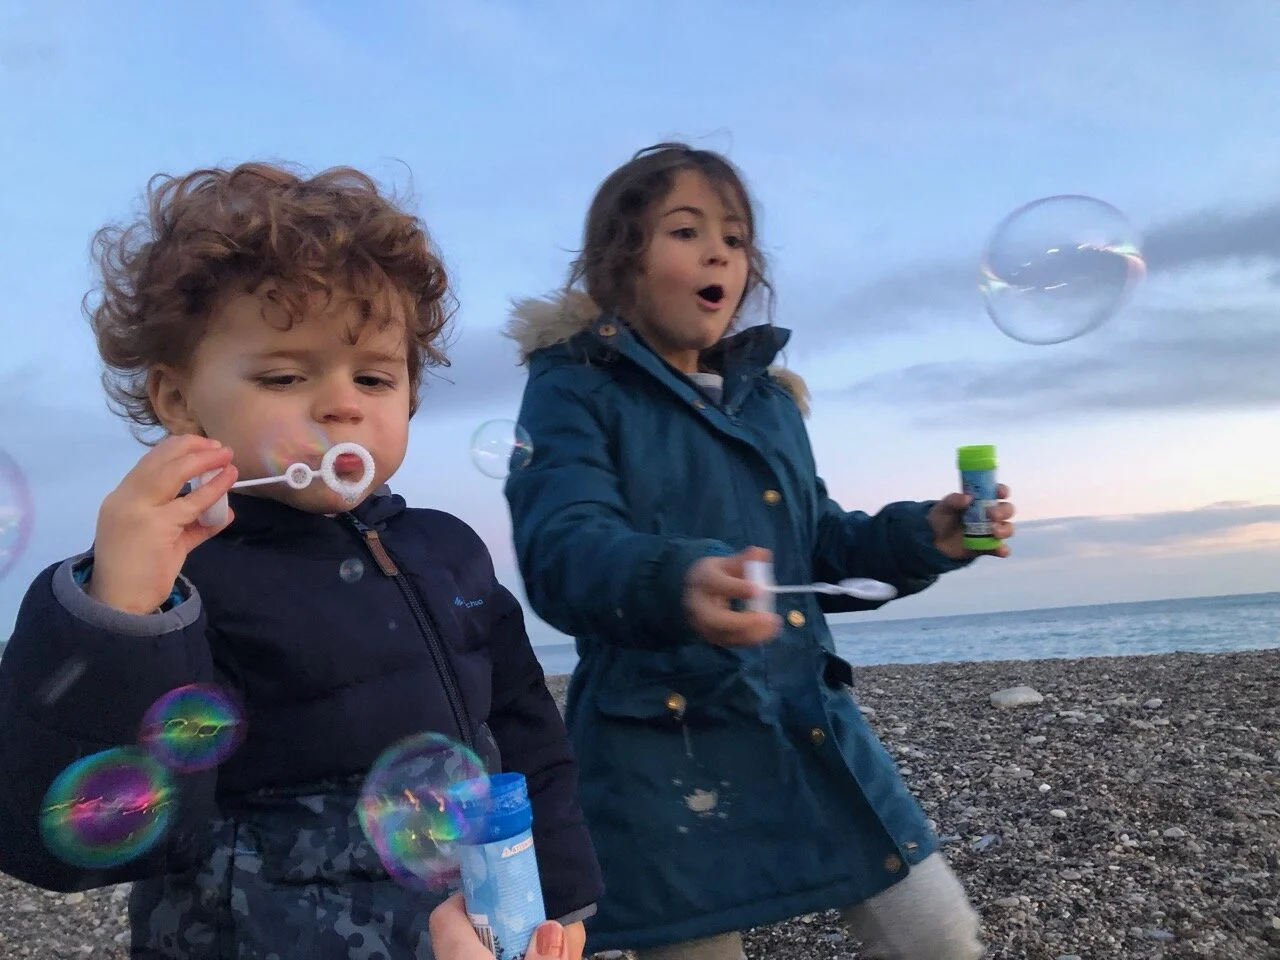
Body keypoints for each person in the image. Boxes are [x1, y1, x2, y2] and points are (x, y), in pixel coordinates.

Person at [0, 163, 600, 959]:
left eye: (374, 376)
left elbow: (525, 734)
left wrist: (557, 892)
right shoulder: (179, 586)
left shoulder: (448, 550)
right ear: (178, 400)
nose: (341, 403)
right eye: (284, 375)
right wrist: (120, 616)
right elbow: (74, 830)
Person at [503, 143, 1016, 960]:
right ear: (619, 263)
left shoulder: (770, 403)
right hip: (663, 750)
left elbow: (821, 549)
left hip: (804, 721)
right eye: (685, 231)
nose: (718, 253)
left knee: (938, 933)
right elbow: (560, 547)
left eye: (735, 238)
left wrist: (926, 535)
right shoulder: (574, 386)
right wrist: (675, 581)